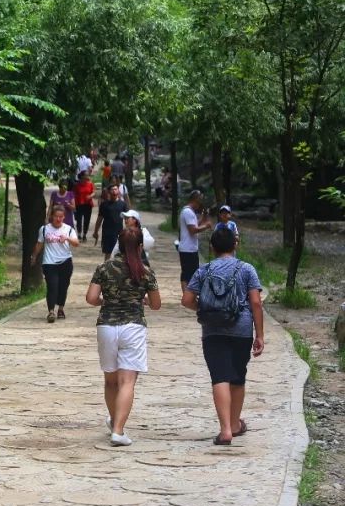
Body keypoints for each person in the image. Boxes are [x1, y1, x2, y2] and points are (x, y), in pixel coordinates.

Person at [181, 227, 265, 445]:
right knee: (237, 377)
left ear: (212, 247)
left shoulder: (203, 270)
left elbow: (187, 300)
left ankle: (225, 430)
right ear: (235, 244)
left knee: (219, 377)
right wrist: (260, 335)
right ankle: (236, 424)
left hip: (212, 330)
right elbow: (255, 303)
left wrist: (206, 308)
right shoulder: (247, 269)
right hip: (242, 329)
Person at [86, 227, 162, 446]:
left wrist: (107, 302)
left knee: (110, 381)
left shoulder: (104, 267)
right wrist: (142, 300)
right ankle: (118, 430)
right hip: (133, 327)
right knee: (127, 381)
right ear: (140, 247)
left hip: (107, 326)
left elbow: (91, 298)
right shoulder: (145, 271)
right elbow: (156, 304)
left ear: (118, 244)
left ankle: (114, 421)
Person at [30, 205, 79, 323]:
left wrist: (67, 238)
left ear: (64, 217)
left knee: (63, 286)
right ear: (52, 216)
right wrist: (34, 256)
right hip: (49, 262)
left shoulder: (69, 229)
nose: (58, 219)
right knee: (52, 286)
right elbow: (39, 244)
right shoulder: (44, 229)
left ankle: (61, 308)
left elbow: (76, 243)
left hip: (65, 261)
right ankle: (51, 311)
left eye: (61, 217)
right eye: (56, 216)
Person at [178, 190, 214, 293]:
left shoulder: (189, 212)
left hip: (190, 248)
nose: (200, 204)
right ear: (195, 200)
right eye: (199, 201)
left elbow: (195, 225)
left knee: (193, 271)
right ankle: (186, 293)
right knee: (187, 273)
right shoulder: (188, 212)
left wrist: (203, 218)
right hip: (187, 248)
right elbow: (193, 230)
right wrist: (206, 226)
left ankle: (190, 292)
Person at [93, 185, 128, 260]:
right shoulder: (104, 205)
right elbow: (99, 219)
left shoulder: (123, 204)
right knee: (108, 253)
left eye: (116, 189)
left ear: (118, 191)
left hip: (119, 232)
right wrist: (96, 231)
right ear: (109, 192)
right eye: (112, 190)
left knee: (119, 252)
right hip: (107, 232)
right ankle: (107, 269)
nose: (114, 191)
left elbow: (127, 219)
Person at [73, 171, 95, 241]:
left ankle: (84, 234)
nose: (88, 176)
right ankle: (79, 234)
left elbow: (93, 192)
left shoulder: (90, 184)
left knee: (87, 220)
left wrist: (90, 196)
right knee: (79, 220)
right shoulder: (77, 185)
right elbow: (73, 194)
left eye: (88, 175)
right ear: (82, 176)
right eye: (86, 175)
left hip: (88, 204)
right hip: (79, 204)